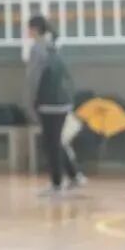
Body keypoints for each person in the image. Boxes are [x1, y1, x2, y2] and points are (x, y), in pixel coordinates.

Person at [26, 14, 86, 196]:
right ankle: (75, 176)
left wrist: (31, 101)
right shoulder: (54, 46)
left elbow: (34, 78)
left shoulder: (37, 49)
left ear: (34, 29)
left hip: (48, 103)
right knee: (56, 141)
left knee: (51, 144)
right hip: (62, 102)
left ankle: (57, 184)